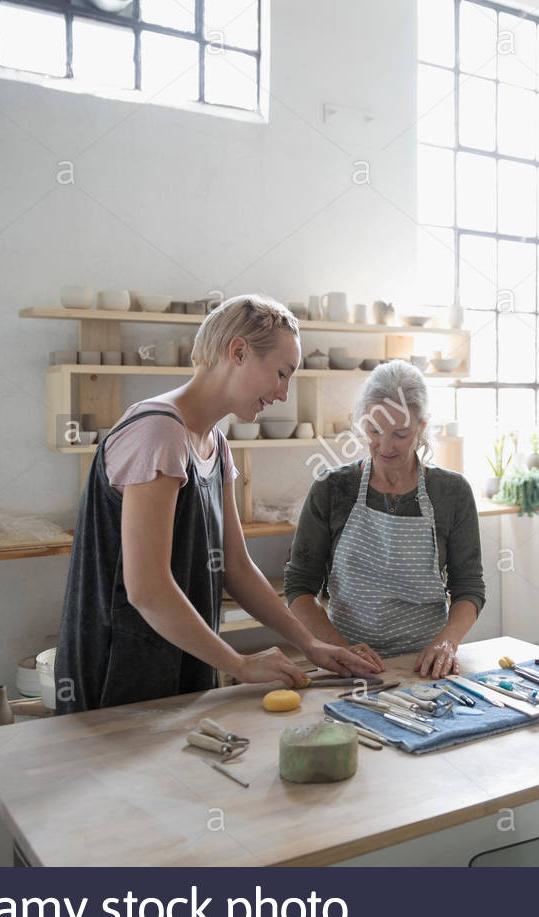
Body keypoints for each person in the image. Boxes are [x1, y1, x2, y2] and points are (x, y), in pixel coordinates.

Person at [54, 295, 377, 714]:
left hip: (184, 659)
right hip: (119, 670)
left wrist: (308, 642)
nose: (282, 394)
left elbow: (236, 568)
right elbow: (146, 589)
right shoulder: (158, 430)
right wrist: (239, 663)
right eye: (281, 374)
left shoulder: (216, 443)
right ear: (238, 352)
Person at [285, 361, 485, 678]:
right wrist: (339, 648)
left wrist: (446, 643)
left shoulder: (452, 493)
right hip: (348, 666)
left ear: (422, 426)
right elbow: (298, 587)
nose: (385, 446)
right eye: (374, 431)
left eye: (400, 434)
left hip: (424, 666)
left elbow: (469, 587)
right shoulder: (332, 489)